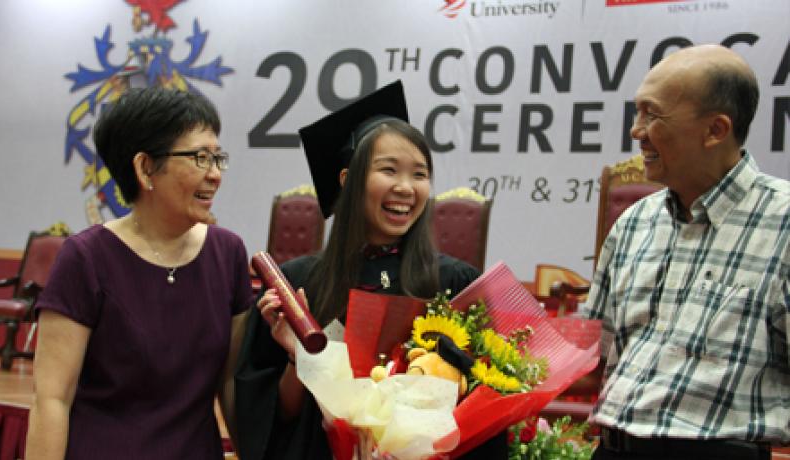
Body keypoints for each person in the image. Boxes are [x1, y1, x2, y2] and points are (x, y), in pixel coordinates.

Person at [234, 80, 508, 459]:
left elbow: (481, 412)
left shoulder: (453, 283)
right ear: (347, 180)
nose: (406, 187)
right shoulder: (300, 285)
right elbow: (275, 421)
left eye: (419, 174)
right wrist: (300, 357)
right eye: (389, 170)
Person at [581, 44, 790, 460]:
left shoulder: (783, 221)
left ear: (715, 130)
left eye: (651, 114)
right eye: (636, 112)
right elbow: (592, 354)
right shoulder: (634, 223)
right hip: (613, 447)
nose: (636, 131)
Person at [25, 87, 254, 459]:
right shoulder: (86, 258)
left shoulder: (227, 254)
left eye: (218, 158)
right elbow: (52, 400)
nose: (215, 175)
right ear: (145, 167)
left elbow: (230, 385)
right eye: (200, 158)